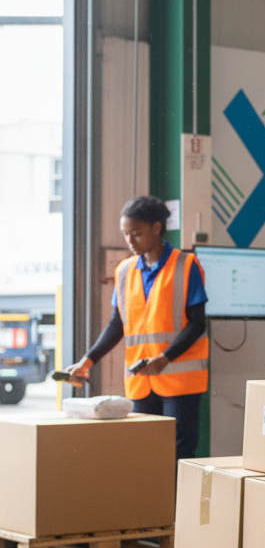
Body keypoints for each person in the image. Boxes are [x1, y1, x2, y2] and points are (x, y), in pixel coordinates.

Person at [65, 195, 209, 460]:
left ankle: (175, 503)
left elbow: (198, 323)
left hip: (180, 381)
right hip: (142, 381)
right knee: (146, 451)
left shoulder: (186, 264)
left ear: (156, 228)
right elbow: (117, 324)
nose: (129, 241)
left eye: (136, 233)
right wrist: (88, 361)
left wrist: (165, 358)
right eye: (125, 234)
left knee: (179, 451)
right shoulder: (124, 270)